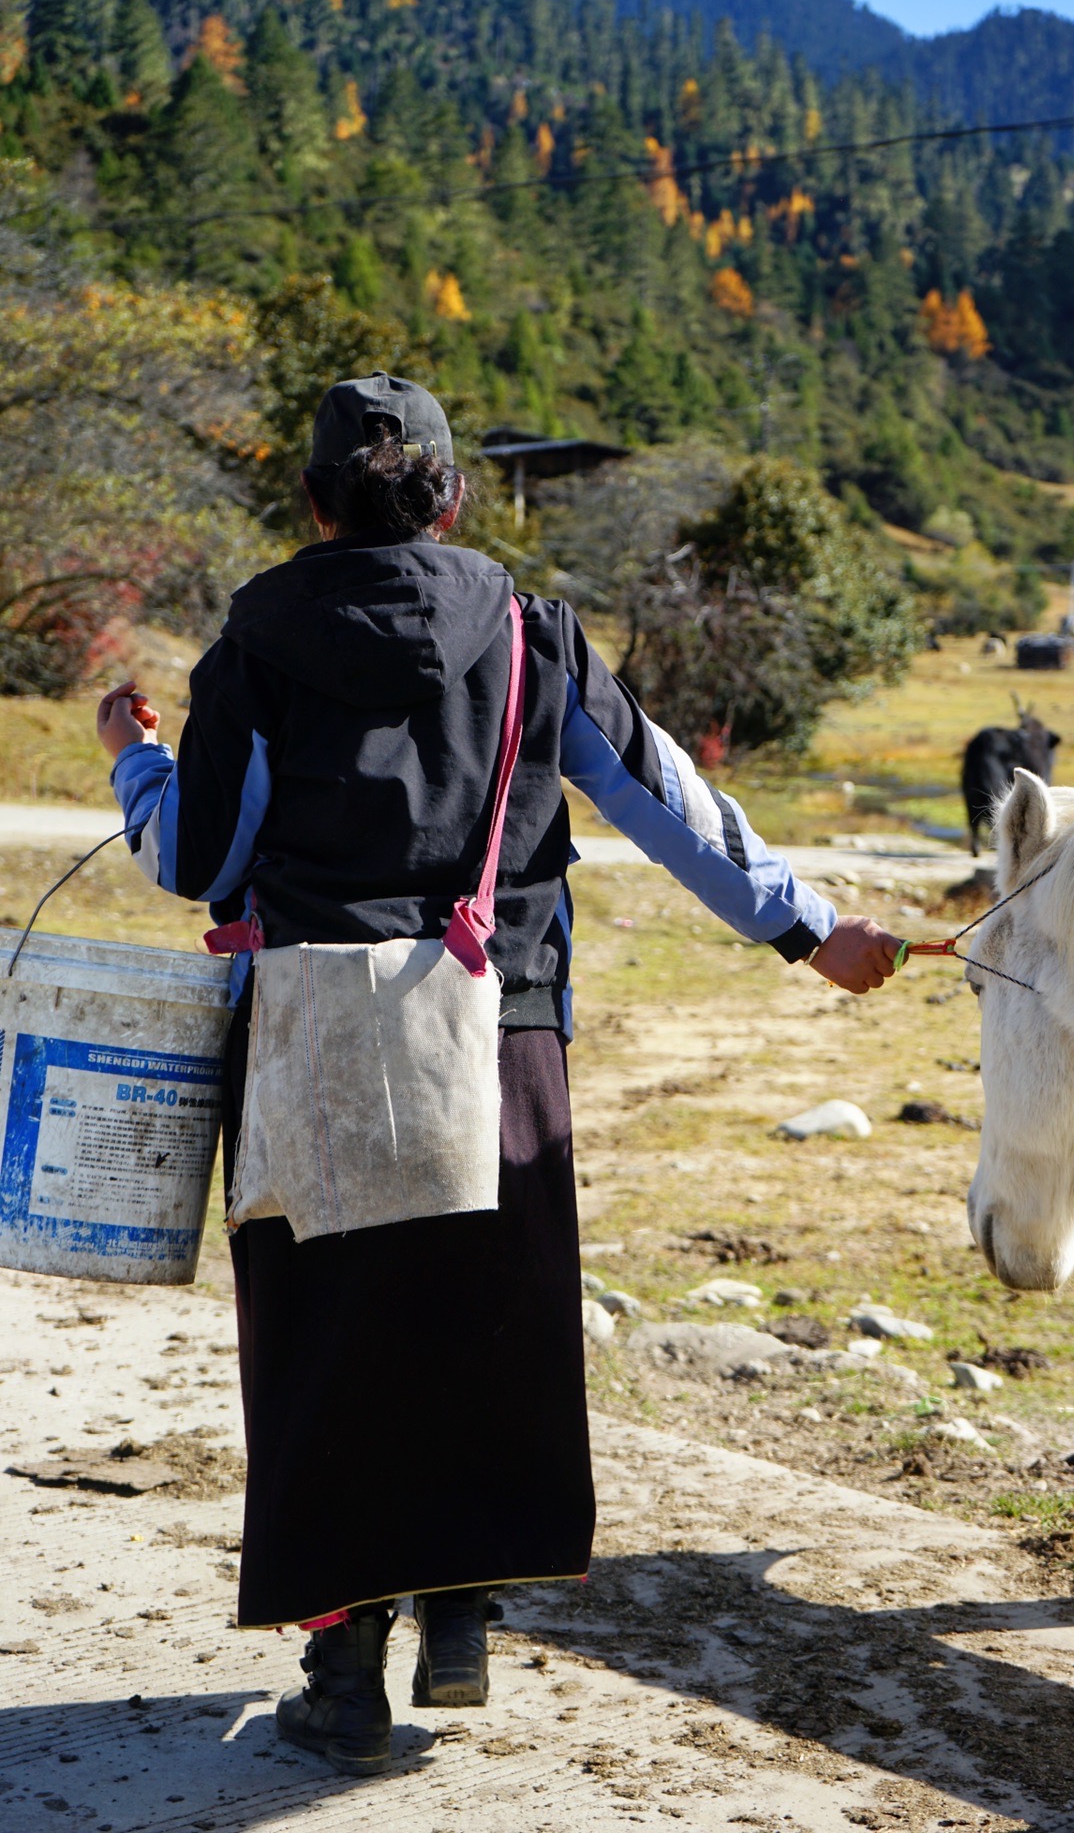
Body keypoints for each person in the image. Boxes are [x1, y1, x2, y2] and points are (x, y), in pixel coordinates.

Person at [96, 372, 902, 1778]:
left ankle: (342, 1673)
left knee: (330, 1345)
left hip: (311, 1034)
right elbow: (666, 796)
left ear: (312, 501)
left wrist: (136, 760)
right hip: (500, 1018)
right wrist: (809, 927)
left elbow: (195, 863)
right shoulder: (533, 634)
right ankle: (459, 1614)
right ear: (455, 498)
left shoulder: (257, 640)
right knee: (476, 1319)